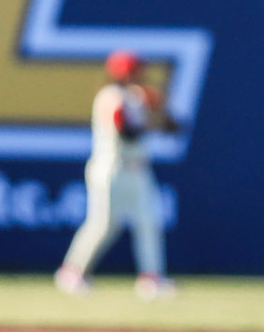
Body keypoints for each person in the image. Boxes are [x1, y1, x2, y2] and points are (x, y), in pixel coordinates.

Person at [54, 49, 179, 299]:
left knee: (149, 222)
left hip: (138, 169)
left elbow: (173, 127)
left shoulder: (138, 96)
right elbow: (126, 130)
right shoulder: (111, 96)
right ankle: (71, 272)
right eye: (134, 70)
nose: (140, 74)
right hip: (111, 168)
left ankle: (151, 278)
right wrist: (151, 114)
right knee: (102, 225)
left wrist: (160, 111)